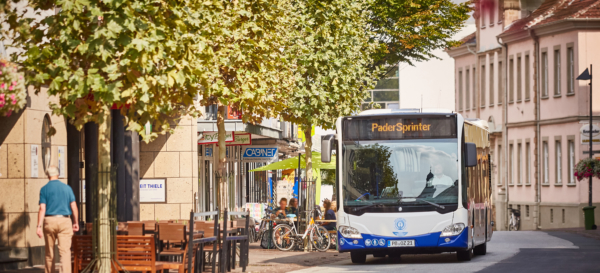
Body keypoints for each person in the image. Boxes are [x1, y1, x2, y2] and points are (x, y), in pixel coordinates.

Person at [36, 166, 79, 273]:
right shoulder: (67, 188)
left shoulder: (44, 189)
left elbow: (42, 208)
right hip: (65, 221)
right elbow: (74, 206)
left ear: (47, 175)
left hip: (49, 221)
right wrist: (76, 222)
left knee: (49, 252)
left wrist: (39, 226)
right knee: (64, 252)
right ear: (58, 174)